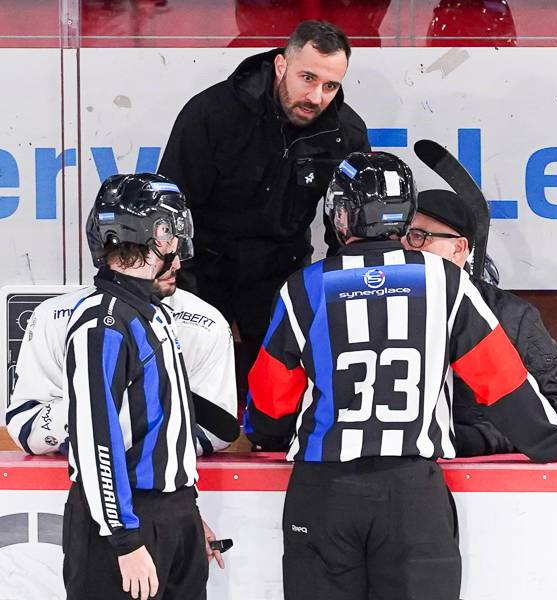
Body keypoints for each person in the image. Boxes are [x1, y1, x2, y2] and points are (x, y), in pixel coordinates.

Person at [245, 152, 557, 600]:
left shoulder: (305, 286)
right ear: (405, 214)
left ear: (341, 215)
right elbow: (500, 379)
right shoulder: (444, 280)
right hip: (411, 493)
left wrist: (267, 436)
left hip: (323, 492)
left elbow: (270, 397)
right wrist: (554, 442)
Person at [158, 20, 370, 365]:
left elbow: (347, 235)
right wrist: (192, 304)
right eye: (308, 78)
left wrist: (332, 303)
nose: (316, 97)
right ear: (281, 65)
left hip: (282, 281)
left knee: (278, 393)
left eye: (330, 85)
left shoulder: (346, 134)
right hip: (204, 277)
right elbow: (171, 214)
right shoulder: (212, 114)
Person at [61, 174, 218, 600]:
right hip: (125, 524)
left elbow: (167, 425)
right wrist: (124, 538)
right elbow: (96, 437)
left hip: (173, 517)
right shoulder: (102, 324)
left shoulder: (154, 313)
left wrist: (186, 515)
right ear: (157, 235)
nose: (179, 256)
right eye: (173, 236)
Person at [6, 183, 239, 456]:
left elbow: (216, 432)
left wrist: (111, 422)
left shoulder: (204, 324)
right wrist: (110, 408)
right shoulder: (54, 319)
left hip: (164, 481)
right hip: (77, 479)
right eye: (163, 250)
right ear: (126, 250)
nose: (177, 264)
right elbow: (27, 427)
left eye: (177, 249)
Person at [400, 188, 557, 456]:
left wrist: (475, 440)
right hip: (399, 467)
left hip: (482, 474)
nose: (404, 245)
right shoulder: (376, 306)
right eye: (400, 235)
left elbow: (556, 414)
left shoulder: (512, 315)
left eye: (417, 236)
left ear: (458, 249)